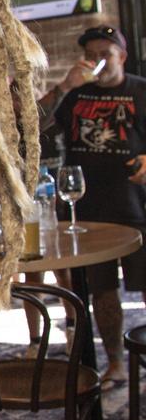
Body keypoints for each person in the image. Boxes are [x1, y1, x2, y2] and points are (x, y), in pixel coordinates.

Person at [40, 24, 146, 383]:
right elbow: (31, 124)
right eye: (92, 55)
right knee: (102, 292)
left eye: (106, 54)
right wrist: (65, 86)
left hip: (138, 207)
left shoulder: (140, 91)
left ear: (122, 56)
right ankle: (115, 363)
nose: (98, 61)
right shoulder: (75, 95)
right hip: (87, 212)